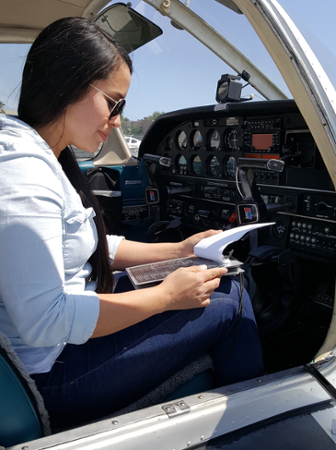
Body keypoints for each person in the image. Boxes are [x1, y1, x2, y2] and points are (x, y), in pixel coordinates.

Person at [0, 17, 263, 429]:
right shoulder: (21, 171)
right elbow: (44, 322)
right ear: (68, 83)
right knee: (232, 300)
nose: (119, 119)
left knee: (214, 276)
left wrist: (181, 251)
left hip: (61, 341)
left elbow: (93, 246)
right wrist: (166, 298)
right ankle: (256, 426)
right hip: (50, 374)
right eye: (114, 102)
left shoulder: (45, 152)